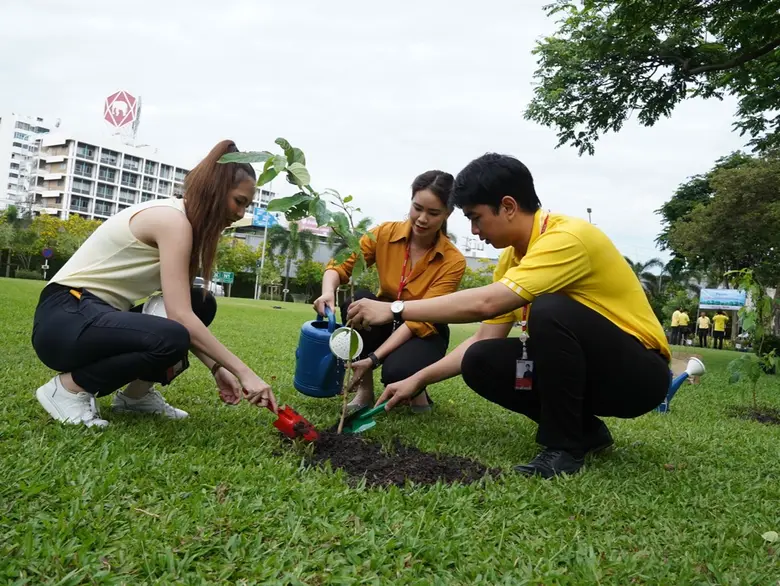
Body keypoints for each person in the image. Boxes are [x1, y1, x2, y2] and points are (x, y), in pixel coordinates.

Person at [346, 153, 671, 478]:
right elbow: (485, 335)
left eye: (477, 218)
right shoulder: (512, 260)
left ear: (509, 206)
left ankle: (564, 449)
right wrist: (416, 381)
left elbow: (487, 302)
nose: (473, 231)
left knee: (549, 308)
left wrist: (394, 308)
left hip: (638, 376)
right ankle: (586, 432)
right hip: (591, 373)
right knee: (480, 358)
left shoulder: (568, 238)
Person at [31, 140, 278, 428]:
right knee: (173, 335)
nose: (240, 213)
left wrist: (217, 368)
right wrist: (244, 372)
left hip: (96, 316)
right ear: (215, 191)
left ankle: (135, 398)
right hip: (66, 317)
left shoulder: (187, 230)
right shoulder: (171, 220)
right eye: (239, 201)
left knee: (201, 303)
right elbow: (179, 321)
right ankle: (68, 388)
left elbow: (182, 311)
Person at [313, 170, 466, 412]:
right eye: (417, 208)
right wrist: (327, 291)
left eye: (433, 213)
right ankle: (364, 392)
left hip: (423, 329)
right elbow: (341, 266)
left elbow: (420, 321)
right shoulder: (384, 233)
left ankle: (416, 386)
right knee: (359, 301)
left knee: (397, 371)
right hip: (382, 320)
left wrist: (374, 359)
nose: (422, 218)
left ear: (448, 213)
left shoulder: (452, 260)